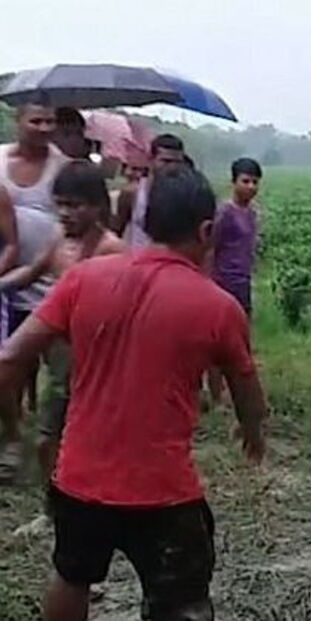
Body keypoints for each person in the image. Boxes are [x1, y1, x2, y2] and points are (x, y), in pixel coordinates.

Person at [0, 166, 267, 621]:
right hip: (163, 493)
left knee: (71, 575)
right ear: (206, 230)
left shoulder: (84, 279)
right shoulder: (218, 306)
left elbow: (10, 357)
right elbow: (247, 388)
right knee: (183, 599)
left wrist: (12, 425)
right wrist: (253, 429)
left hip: (78, 480)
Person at [1, 161, 125, 535]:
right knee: (47, 435)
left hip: (99, 358)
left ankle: (104, 508)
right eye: (61, 205)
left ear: (99, 206)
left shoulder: (112, 251)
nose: (67, 214)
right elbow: (33, 272)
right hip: (60, 352)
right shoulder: (59, 239)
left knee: (97, 438)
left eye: (76, 205)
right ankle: (52, 510)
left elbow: (122, 314)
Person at [0, 104, 70, 483]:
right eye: (36, 120)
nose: (44, 128)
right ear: (19, 122)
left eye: (50, 121)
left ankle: (57, 447)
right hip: (9, 290)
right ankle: (12, 438)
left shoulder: (64, 167)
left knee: (60, 375)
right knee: (7, 369)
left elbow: (74, 220)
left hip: (54, 287)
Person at [207, 158, 262, 406]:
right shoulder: (224, 212)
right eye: (245, 181)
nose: (250, 186)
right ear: (233, 182)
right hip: (222, 282)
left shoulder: (252, 213)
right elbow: (210, 247)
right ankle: (216, 394)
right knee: (217, 340)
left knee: (240, 340)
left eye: (255, 182)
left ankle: (235, 392)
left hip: (243, 282)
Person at [112, 133, 185, 249]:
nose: (172, 168)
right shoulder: (132, 193)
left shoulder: (183, 197)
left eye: (177, 162)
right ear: (151, 160)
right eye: (166, 161)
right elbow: (117, 231)